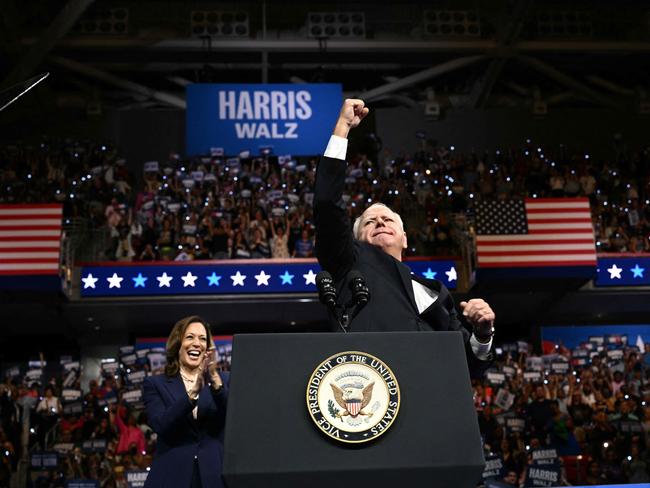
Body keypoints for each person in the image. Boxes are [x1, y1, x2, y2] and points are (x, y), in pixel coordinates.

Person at [314, 99, 495, 377]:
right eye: (370, 221)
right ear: (355, 239)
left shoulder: (436, 292)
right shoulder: (349, 263)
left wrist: (483, 334)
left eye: (388, 219)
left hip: (432, 402)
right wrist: (342, 128)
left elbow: (471, 365)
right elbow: (327, 202)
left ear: (405, 238)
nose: (380, 222)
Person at [143, 315, 229, 488]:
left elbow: (235, 419)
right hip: (172, 474)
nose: (197, 343)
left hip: (215, 474)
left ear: (208, 348)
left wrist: (216, 383)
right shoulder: (155, 384)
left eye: (203, 339)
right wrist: (191, 396)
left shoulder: (223, 381)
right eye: (190, 337)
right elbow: (160, 423)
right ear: (177, 344)